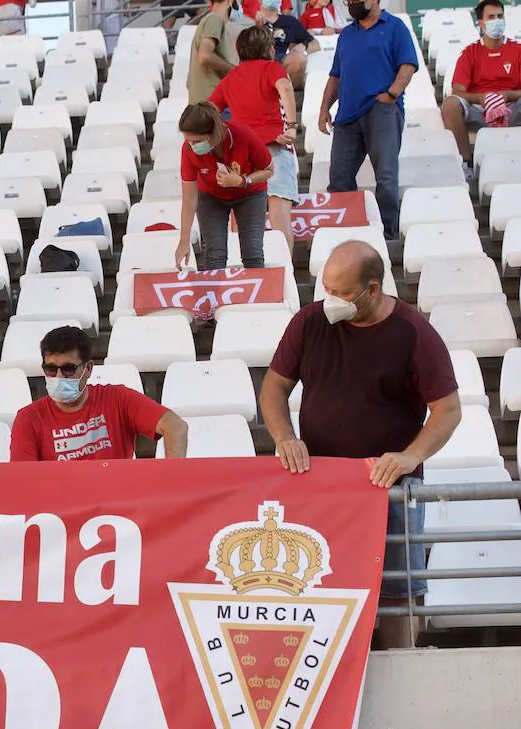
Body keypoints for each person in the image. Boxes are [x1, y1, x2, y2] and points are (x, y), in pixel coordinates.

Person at [260, 240, 461, 649]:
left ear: (372, 289)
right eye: (326, 289)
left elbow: (448, 411)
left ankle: (402, 669)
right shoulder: (309, 321)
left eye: (341, 293)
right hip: (319, 483)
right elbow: (274, 386)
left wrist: (411, 456)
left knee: (397, 593)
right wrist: (285, 438)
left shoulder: (414, 334)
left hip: (389, 488)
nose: (330, 300)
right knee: (319, 584)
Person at [11, 326, 189, 462]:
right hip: (59, 507)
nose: (58, 377)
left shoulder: (118, 399)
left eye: (68, 369)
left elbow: (175, 426)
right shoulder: (28, 418)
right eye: (50, 369)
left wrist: (173, 478)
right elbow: (23, 480)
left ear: (88, 368)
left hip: (116, 504)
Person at [317, 0, 418, 239]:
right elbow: (335, 76)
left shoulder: (395, 27)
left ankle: (387, 234)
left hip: (380, 110)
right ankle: (348, 233)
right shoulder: (347, 35)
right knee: (339, 178)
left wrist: (391, 94)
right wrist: (324, 109)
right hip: (347, 116)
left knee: (385, 174)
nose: (352, 3)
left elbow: (408, 66)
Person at [209, 26, 299, 254]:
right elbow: (286, 88)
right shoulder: (272, 67)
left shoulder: (231, 78)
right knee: (280, 223)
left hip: (241, 156)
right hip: (274, 149)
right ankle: (284, 274)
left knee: (240, 227)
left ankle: (245, 279)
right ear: (269, 48)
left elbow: (208, 111)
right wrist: (291, 126)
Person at [176, 101, 274, 270]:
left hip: (250, 194)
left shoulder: (242, 135)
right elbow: (190, 197)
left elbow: (269, 169)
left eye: (196, 141)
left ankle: (258, 295)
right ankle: (215, 296)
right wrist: (184, 241)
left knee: (253, 252)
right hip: (211, 197)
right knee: (214, 254)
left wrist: (242, 181)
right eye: (188, 140)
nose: (192, 145)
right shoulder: (188, 150)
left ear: (213, 133)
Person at [443, 0, 521, 179]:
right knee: (450, 104)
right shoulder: (470, 53)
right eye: (491, 17)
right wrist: (481, 99)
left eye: (500, 16)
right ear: (481, 23)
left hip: (512, 106)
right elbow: (457, 90)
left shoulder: (517, 50)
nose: (497, 20)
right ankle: (466, 162)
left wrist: (508, 95)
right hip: (479, 109)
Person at [253, 0, 319, 87]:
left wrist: (304, 45)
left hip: (282, 59)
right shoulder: (250, 21)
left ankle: (292, 97)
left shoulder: (290, 21)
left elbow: (315, 44)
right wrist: (256, 25)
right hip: (260, 59)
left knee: (298, 58)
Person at [188, 0, 239, 104]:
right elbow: (204, 56)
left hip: (205, 105)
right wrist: (235, 71)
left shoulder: (210, 20)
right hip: (211, 103)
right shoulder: (214, 19)